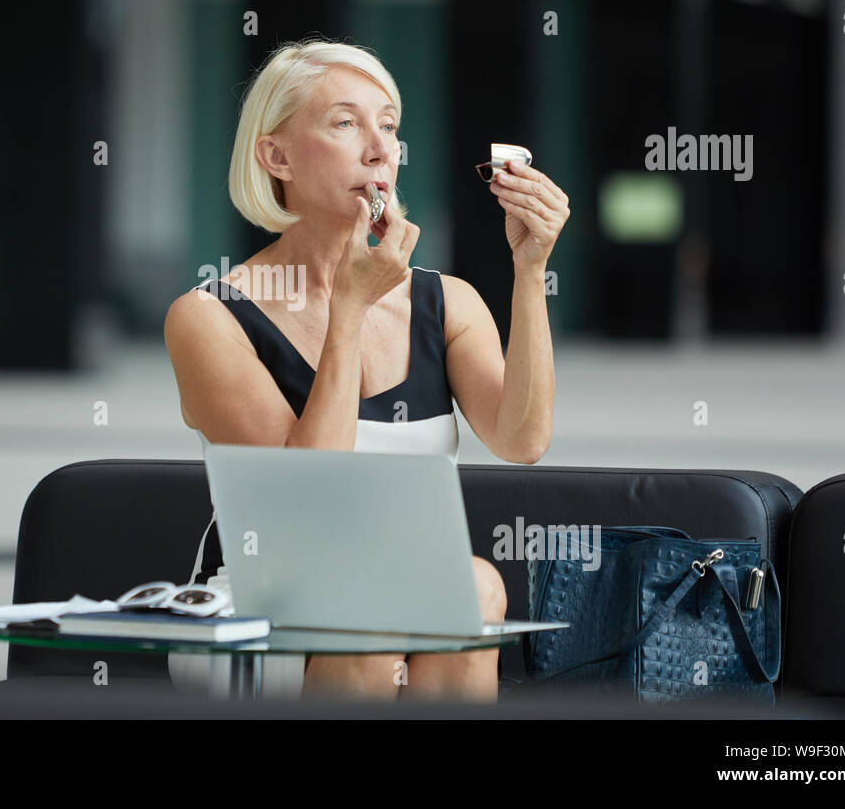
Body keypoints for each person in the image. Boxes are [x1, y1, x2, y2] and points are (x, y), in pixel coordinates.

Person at [163, 38, 568, 701]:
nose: (380, 149)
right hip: (259, 611)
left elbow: (522, 440)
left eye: (388, 125)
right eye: (345, 123)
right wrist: (348, 311)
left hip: (399, 593)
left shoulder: (446, 302)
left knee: (473, 585)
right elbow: (302, 495)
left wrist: (529, 272)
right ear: (276, 156)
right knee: (388, 611)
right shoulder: (209, 317)